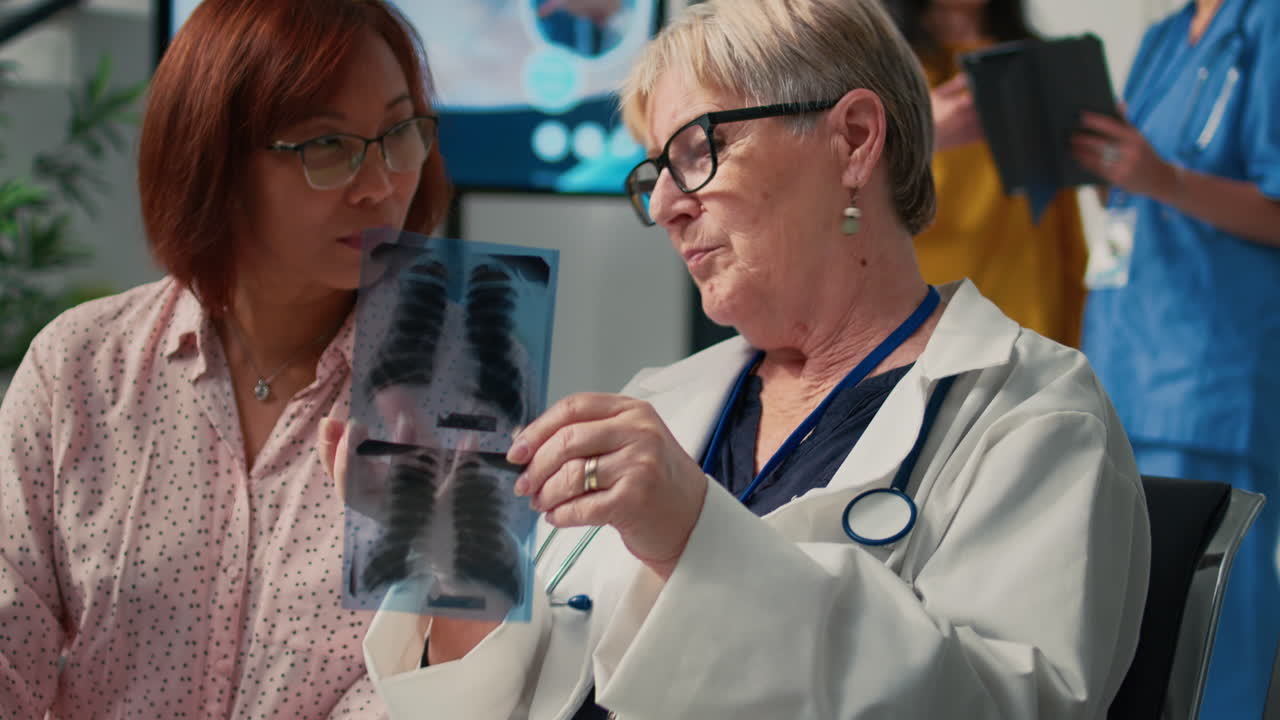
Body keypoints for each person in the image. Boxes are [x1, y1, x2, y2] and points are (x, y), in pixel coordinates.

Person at [323, 0, 1151, 717]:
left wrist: (696, 539)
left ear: (854, 139)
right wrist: (456, 565)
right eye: (653, 171)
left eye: (696, 151)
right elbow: (522, 697)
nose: (663, 205)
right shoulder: (661, 402)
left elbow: (1006, 707)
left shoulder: (1033, 418)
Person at [0, 0, 450, 716]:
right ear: (213, 160)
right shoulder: (79, 369)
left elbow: (459, 685)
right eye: (327, 146)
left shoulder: (456, 385)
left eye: (399, 133)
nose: (381, 184)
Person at [1070, 0, 1280, 716]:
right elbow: (1131, 181)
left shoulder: (1269, 25)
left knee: (1213, 633)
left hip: (1210, 376)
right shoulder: (1165, 35)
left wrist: (1165, 180)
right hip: (1127, 357)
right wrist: (1103, 167)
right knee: (1129, 628)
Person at [881, 0, 1089, 347]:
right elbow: (836, 196)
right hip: (926, 320)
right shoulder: (878, 66)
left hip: (1036, 309)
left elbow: (1064, 222)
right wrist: (918, 138)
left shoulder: (1040, 64)